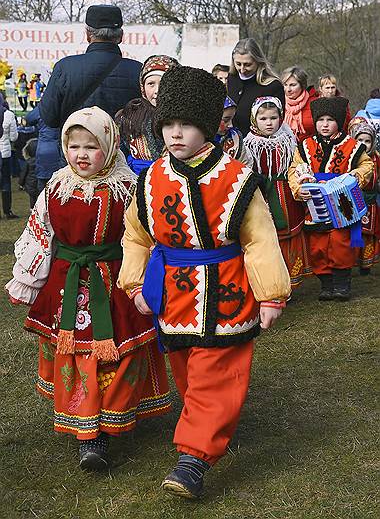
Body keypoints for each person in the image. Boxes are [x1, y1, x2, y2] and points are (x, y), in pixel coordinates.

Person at [118, 66, 291, 499]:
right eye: (169, 125)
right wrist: (136, 284)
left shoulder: (236, 180)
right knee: (191, 375)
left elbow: (259, 238)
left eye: (187, 125)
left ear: (208, 127)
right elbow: (136, 234)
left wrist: (270, 294)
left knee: (216, 372)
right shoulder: (152, 179)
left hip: (225, 291)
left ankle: (193, 458)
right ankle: (207, 422)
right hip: (173, 295)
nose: (176, 134)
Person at [6, 107, 171, 471]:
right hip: (67, 285)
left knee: (117, 353)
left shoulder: (129, 188)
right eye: (74, 145)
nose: (81, 154)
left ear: (110, 147)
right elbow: (39, 234)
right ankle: (89, 434)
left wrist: (145, 282)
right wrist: (27, 279)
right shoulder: (56, 187)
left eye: (91, 147)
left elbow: (143, 239)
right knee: (79, 356)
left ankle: (109, 418)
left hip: (114, 283)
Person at [288, 97, 373, 301]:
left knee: (339, 242)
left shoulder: (352, 146)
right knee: (318, 245)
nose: (324, 124)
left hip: (342, 203)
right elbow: (294, 169)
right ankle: (326, 283)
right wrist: (298, 188)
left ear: (340, 121)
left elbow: (367, 165)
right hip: (315, 204)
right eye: (320, 120)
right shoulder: (305, 146)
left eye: (330, 120)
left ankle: (342, 284)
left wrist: (354, 177)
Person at [244, 96, 311, 287]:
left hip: (287, 196)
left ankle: (291, 278)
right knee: (267, 236)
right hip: (263, 196)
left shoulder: (288, 140)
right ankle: (271, 281)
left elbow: (296, 165)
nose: (269, 123)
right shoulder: (249, 144)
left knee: (290, 237)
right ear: (254, 119)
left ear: (281, 117)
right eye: (263, 119)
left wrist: (301, 182)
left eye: (273, 118)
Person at [39, 5, 142, 128]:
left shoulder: (65, 67)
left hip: (77, 144)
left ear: (88, 35)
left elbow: (49, 117)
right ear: (120, 37)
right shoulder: (138, 70)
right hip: (121, 146)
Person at [115, 54, 178, 175]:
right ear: (142, 87)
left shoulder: (186, 117)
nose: (157, 90)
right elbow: (118, 154)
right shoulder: (128, 116)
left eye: (164, 83)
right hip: (135, 180)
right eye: (151, 84)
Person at [227, 38, 285, 137]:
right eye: (238, 64)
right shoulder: (232, 79)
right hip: (232, 139)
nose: (242, 69)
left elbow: (276, 121)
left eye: (247, 65)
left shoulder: (272, 86)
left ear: (258, 61)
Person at [347, 117, 380, 273]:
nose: (364, 144)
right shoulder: (350, 158)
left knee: (369, 232)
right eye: (360, 140)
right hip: (354, 199)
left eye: (367, 141)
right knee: (355, 231)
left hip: (371, 201)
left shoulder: (377, 157)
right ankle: (351, 261)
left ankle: (366, 264)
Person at [24, 106, 63, 193]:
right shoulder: (64, 105)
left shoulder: (43, 108)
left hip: (44, 150)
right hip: (60, 149)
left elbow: (28, 119)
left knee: (42, 187)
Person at [282, 66, 318, 142]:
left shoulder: (315, 103)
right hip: (285, 149)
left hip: (310, 149)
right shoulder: (279, 103)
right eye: (285, 85)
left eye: (293, 85)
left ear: (302, 85)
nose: (288, 89)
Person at [214, 95, 249, 163]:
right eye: (226, 120)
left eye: (232, 119)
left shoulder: (235, 138)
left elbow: (245, 164)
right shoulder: (196, 141)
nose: (231, 125)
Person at [0, 98, 19, 218]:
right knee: (6, 181)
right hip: (5, 152)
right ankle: (7, 211)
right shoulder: (9, 115)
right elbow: (14, 137)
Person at [18, 138, 38, 209]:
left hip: (31, 185)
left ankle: (32, 209)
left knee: (32, 198)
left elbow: (23, 174)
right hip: (39, 184)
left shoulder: (28, 162)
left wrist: (21, 183)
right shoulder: (41, 161)